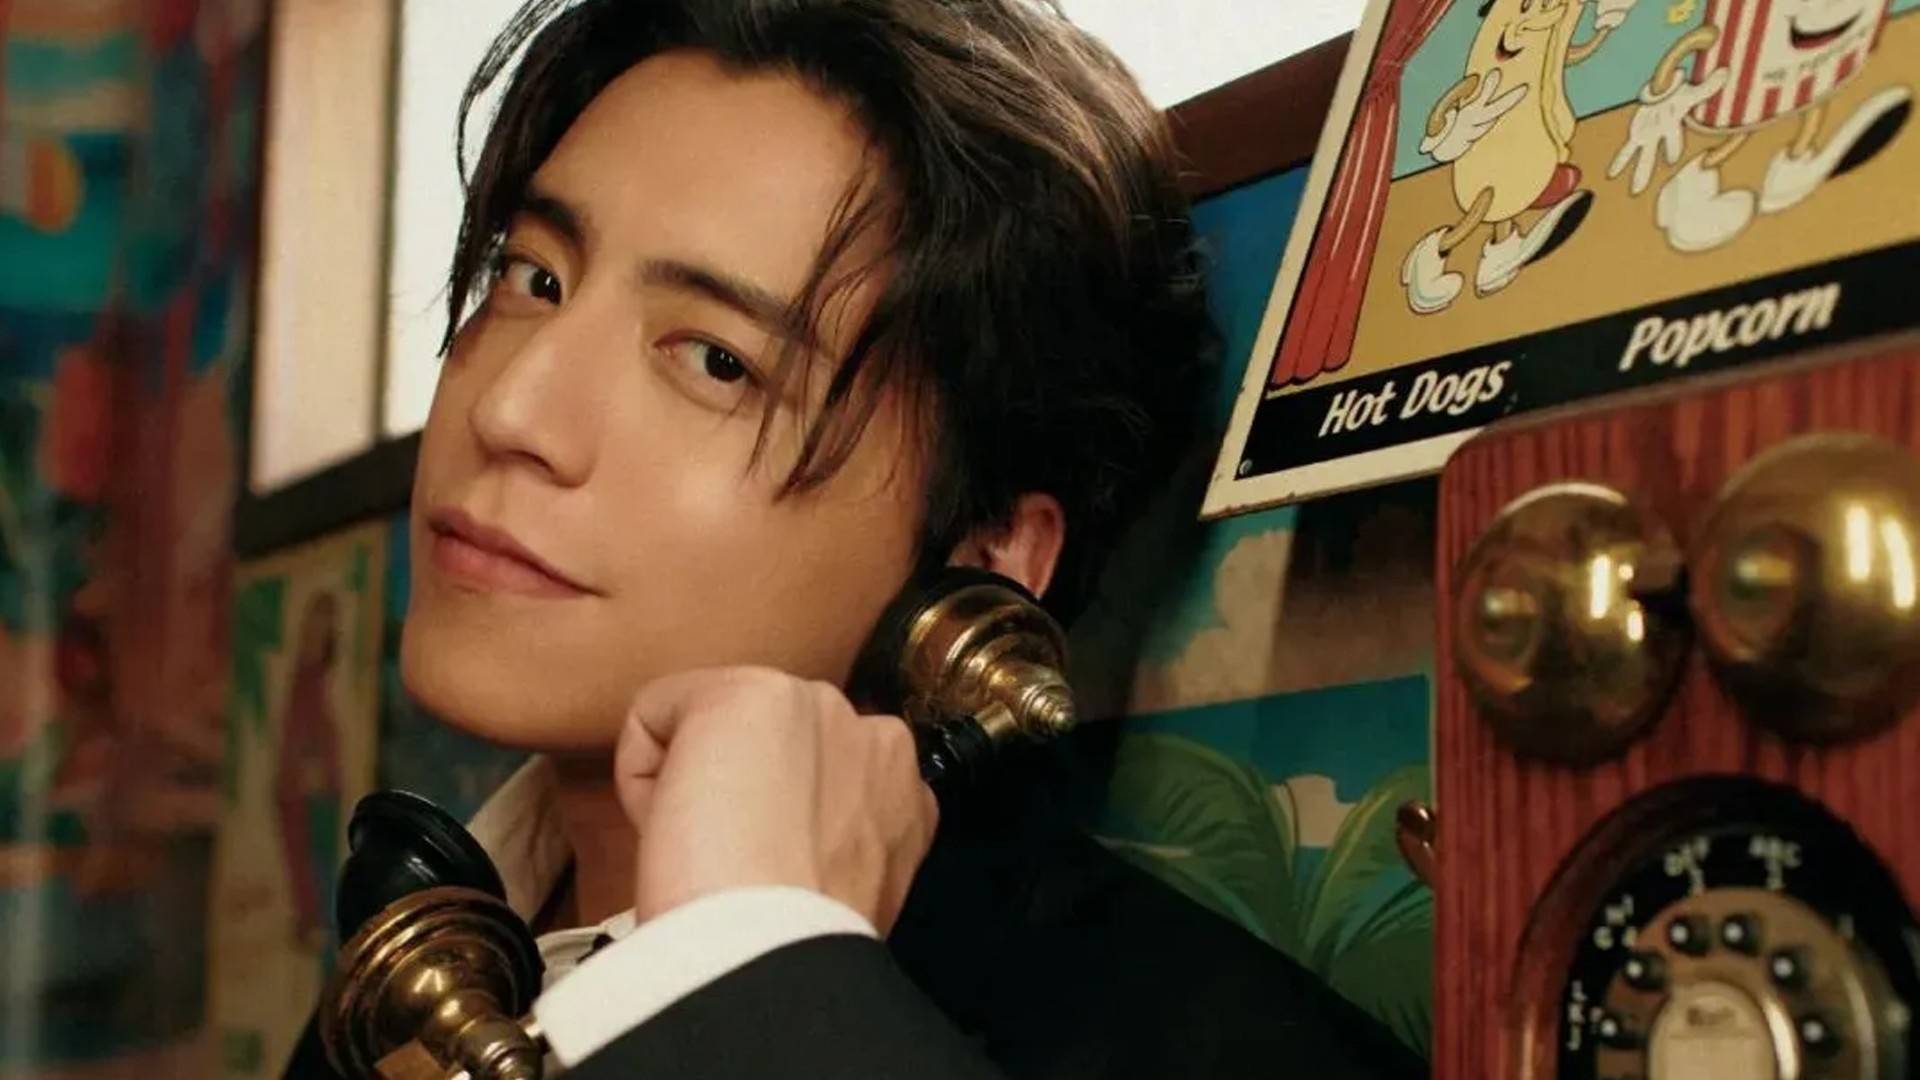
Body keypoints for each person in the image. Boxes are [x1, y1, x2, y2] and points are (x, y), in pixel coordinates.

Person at [287, 0, 1426, 1075]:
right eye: (533, 277)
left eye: (716, 361)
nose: (509, 410)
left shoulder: (1210, 1050)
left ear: (988, 555)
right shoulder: (417, 980)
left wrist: (765, 978)